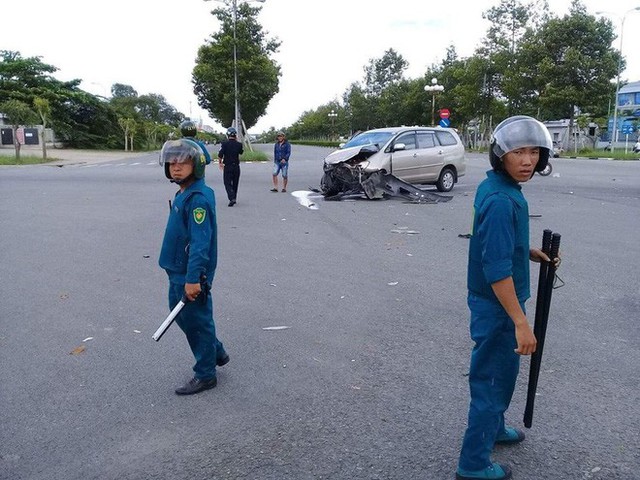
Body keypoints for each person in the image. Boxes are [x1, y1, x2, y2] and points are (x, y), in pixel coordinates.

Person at [456, 116, 559, 480]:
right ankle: (472, 465)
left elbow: (494, 243)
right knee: (492, 381)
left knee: (502, 374)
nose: (528, 160)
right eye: (518, 152)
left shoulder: (496, 186)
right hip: (498, 305)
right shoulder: (502, 200)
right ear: (500, 155)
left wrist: (525, 251)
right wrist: (521, 323)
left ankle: (494, 428)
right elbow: (497, 270)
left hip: (496, 301)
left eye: (534, 152)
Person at [158, 138, 229, 395]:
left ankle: (206, 374)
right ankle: (215, 351)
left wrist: (193, 279)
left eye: (183, 162)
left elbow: (200, 244)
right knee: (185, 317)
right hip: (177, 270)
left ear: (196, 165)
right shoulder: (185, 193)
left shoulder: (197, 199)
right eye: (171, 162)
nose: (176, 167)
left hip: (188, 273)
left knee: (198, 322)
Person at [218, 127, 244, 206]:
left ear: (228, 135)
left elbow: (220, 155)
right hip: (236, 166)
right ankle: (234, 197)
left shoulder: (224, 144)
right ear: (235, 135)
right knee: (235, 183)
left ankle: (231, 197)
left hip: (228, 166)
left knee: (227, 183)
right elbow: (241, 152)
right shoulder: (239, 144)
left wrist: (220, 163)